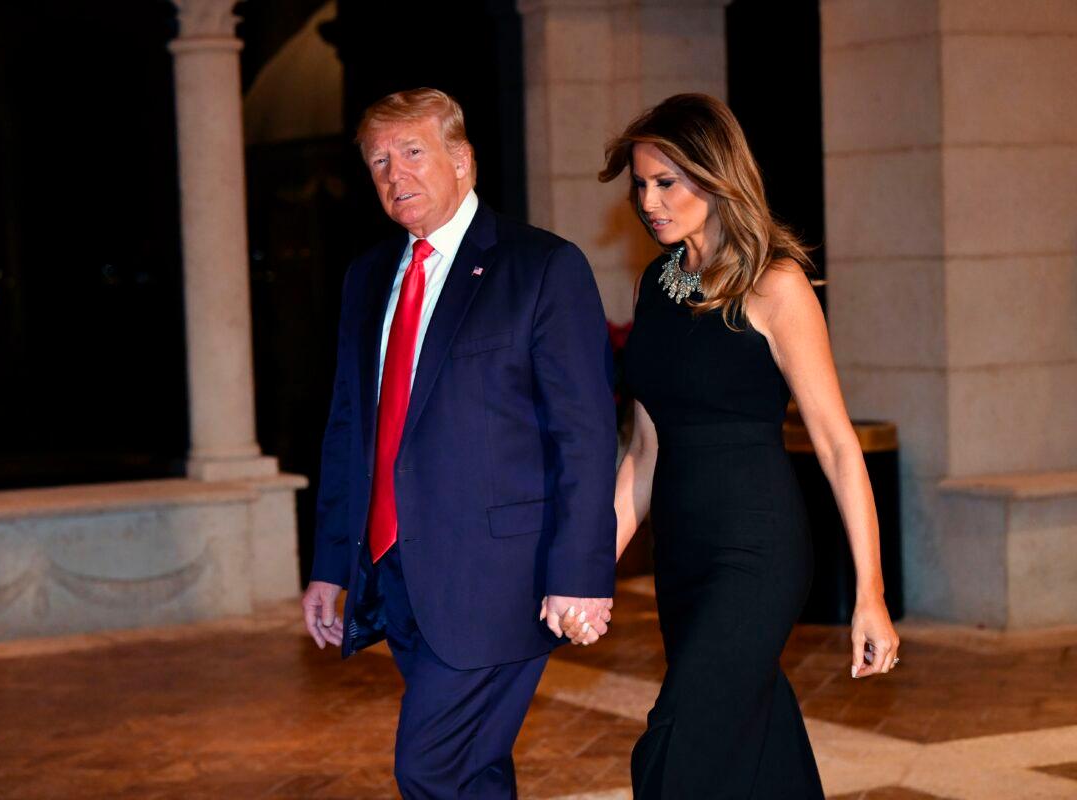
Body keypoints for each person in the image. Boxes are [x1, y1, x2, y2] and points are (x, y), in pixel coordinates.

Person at [572, 93, 900, 797]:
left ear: (716, 176)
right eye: (640, 184)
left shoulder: (775, 285)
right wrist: (590, 566)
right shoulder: (659, 286)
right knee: (752, 739)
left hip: (757, 552)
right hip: (682, 558)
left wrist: (870, 593)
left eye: (667, 181)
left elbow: (840, 447)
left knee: (675, 749)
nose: (649, 201)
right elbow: (644, 454)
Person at [300, 87, 618, 798]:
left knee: (429, 767)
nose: (394, 174)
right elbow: (350, 430)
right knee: (473, 774)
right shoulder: (367, 277)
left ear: (462, 161)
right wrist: (331, 565)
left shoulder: (540, 268)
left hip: (503, 582)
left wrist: (583, 575)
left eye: (412, 152)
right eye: (379, 161)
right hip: (397, 575)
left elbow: (588, 434)